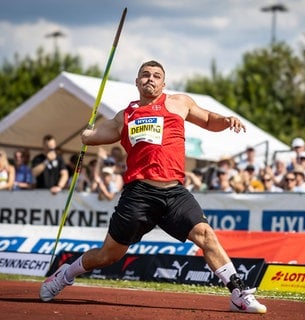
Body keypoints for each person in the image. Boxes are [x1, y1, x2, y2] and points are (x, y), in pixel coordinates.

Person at [39, 60, 266, 314]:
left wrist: (227, 120)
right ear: (137, 82)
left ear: (163, 83)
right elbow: (95, 137)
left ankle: (238, 292)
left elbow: (209, 120)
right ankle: (64, 274)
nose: (151, 79)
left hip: (174, 193)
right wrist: (87, 136)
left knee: (206, 235)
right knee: (108, 255)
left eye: (156, 76)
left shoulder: (179, 103)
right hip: (139, 194)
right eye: (145, 75)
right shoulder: (125, 115)